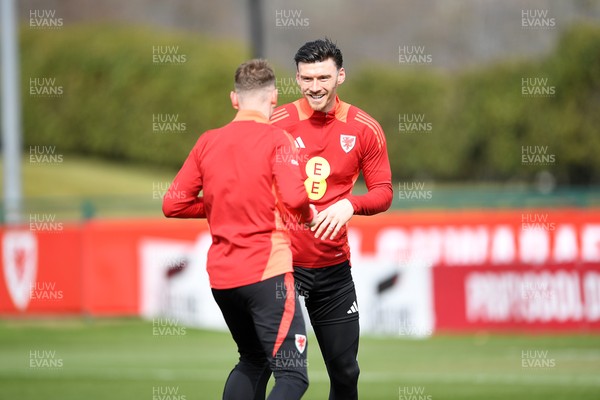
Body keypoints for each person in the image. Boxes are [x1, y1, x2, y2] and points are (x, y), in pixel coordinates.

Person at [163, 59, 317, 400]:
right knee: (292, 375)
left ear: (235, 99)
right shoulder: (278, 139)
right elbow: (294, 198)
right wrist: (308, 214)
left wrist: (222, 204)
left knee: (252, 359)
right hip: (267, 273)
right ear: (274, 97)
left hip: (223, 278)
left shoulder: (208, 141)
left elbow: (172, 203)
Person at [270, 39, 393, 399]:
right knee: (276, 369)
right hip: (281, 267)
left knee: (345, 373)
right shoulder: (276, 122)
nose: (315, 87)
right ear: (296, 78)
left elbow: (383, 192)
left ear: (341, 75)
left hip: (333, 268)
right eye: (306, 78)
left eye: (323, 77)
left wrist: (350, 205)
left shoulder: (364, 128)